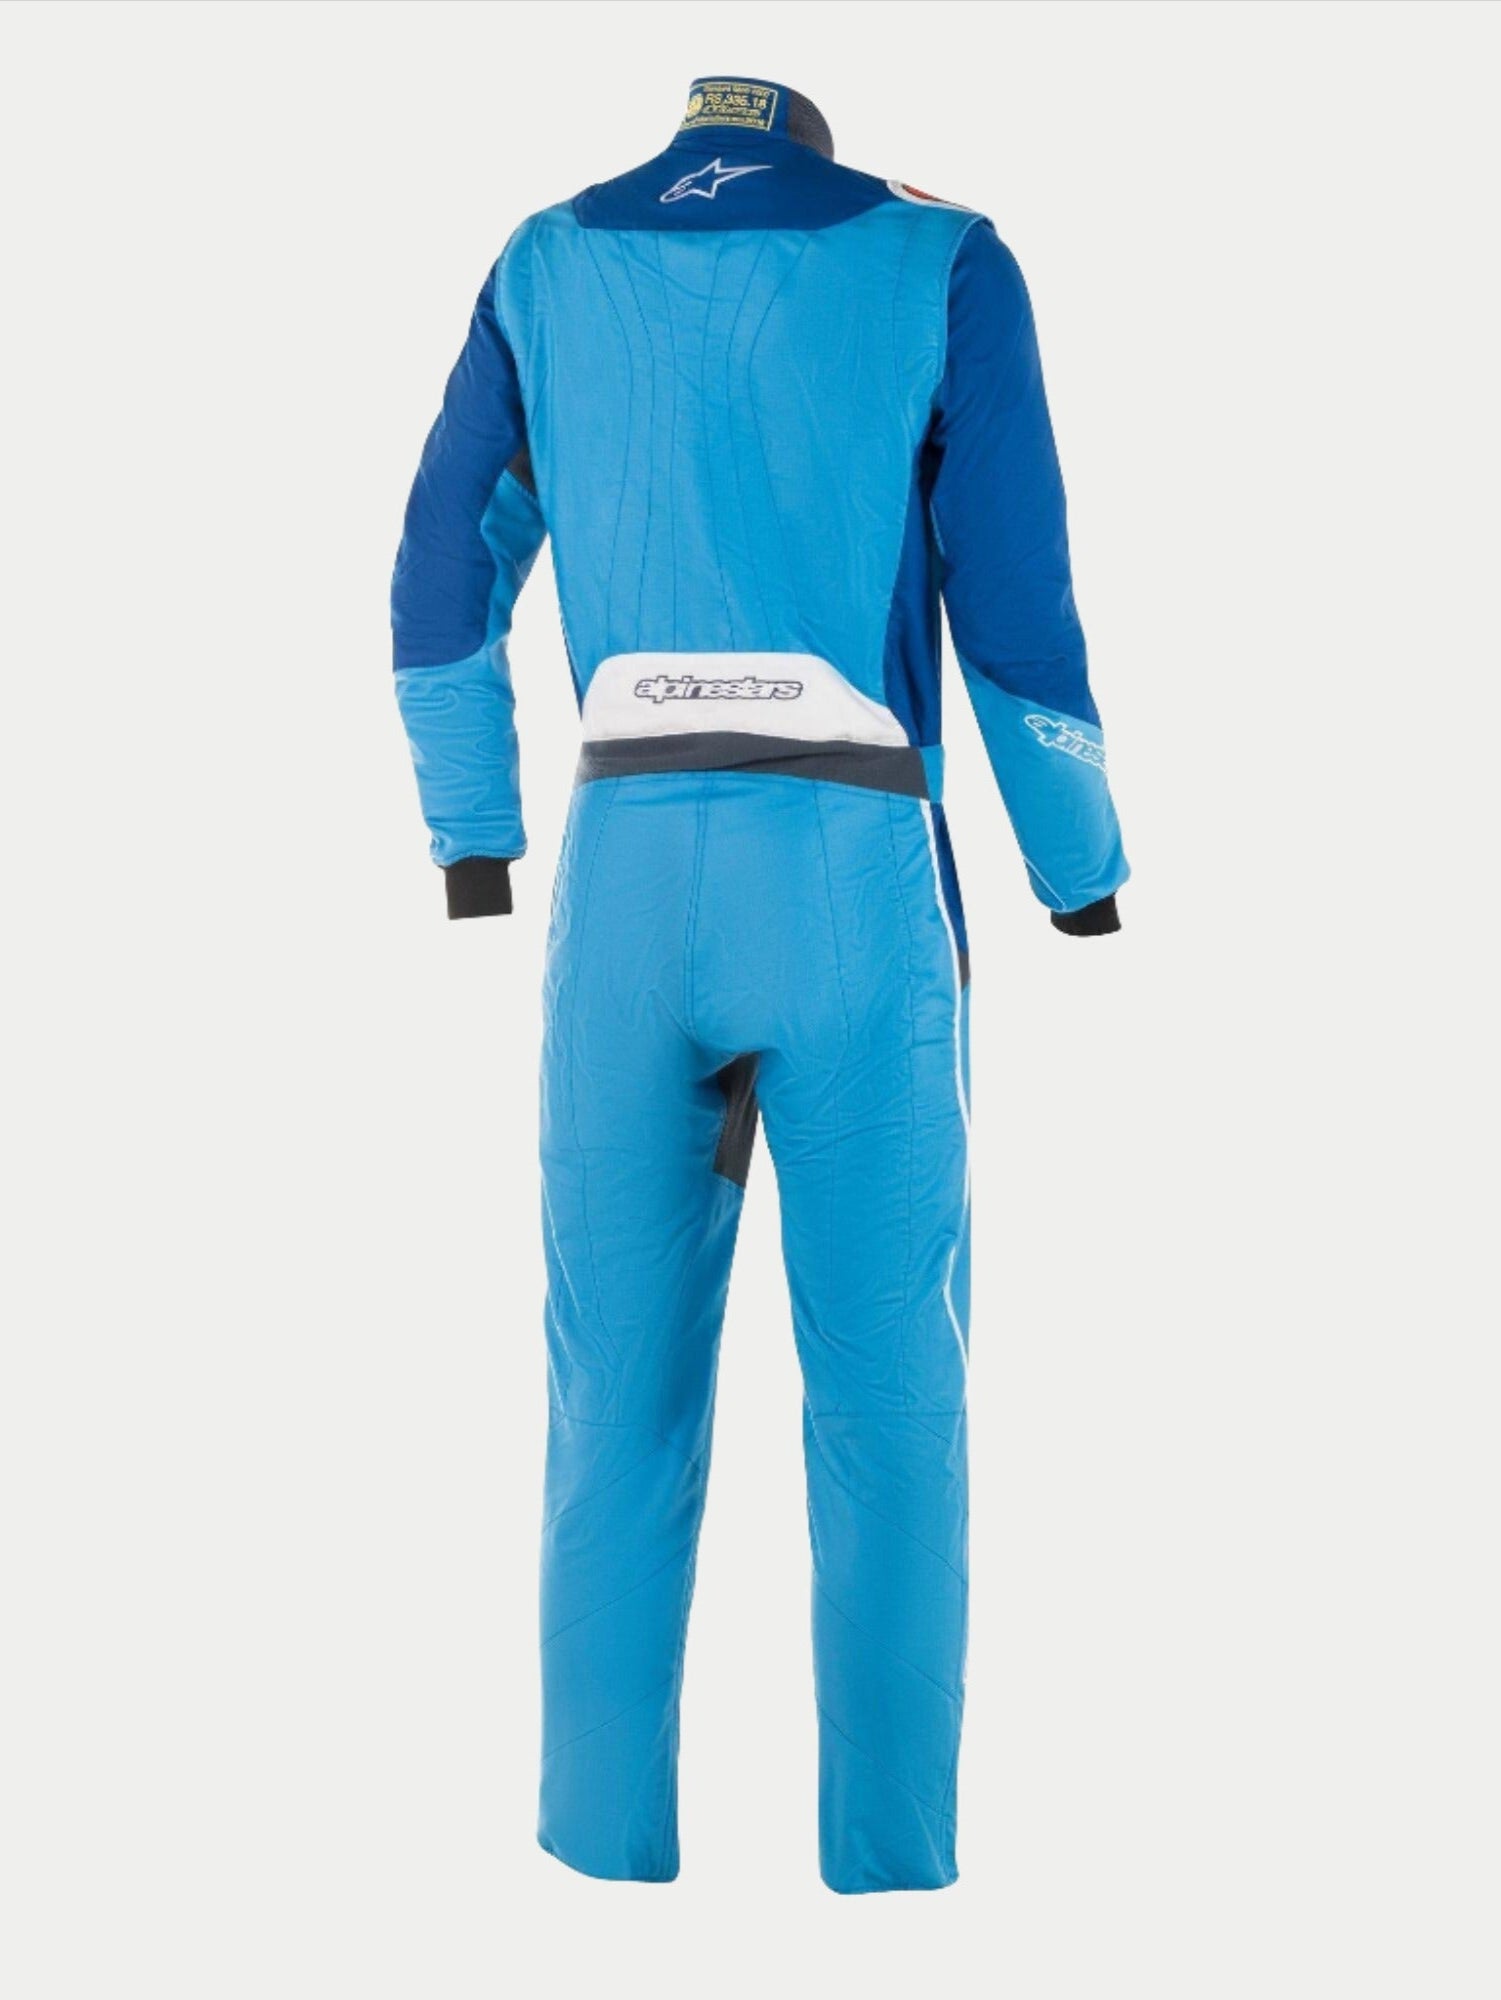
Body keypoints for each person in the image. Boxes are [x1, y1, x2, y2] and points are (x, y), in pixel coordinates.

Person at [393, 75, 1128, 1894]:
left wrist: (473, 836)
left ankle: (595, 1854)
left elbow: (438, 571)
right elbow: (1012, 599)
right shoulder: (940, 256)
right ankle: (888, 1871)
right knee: (890, 1404)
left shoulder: (543, 259)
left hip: (624, 886)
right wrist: (1079, 870)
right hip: (850, 873)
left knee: (608, 1398)